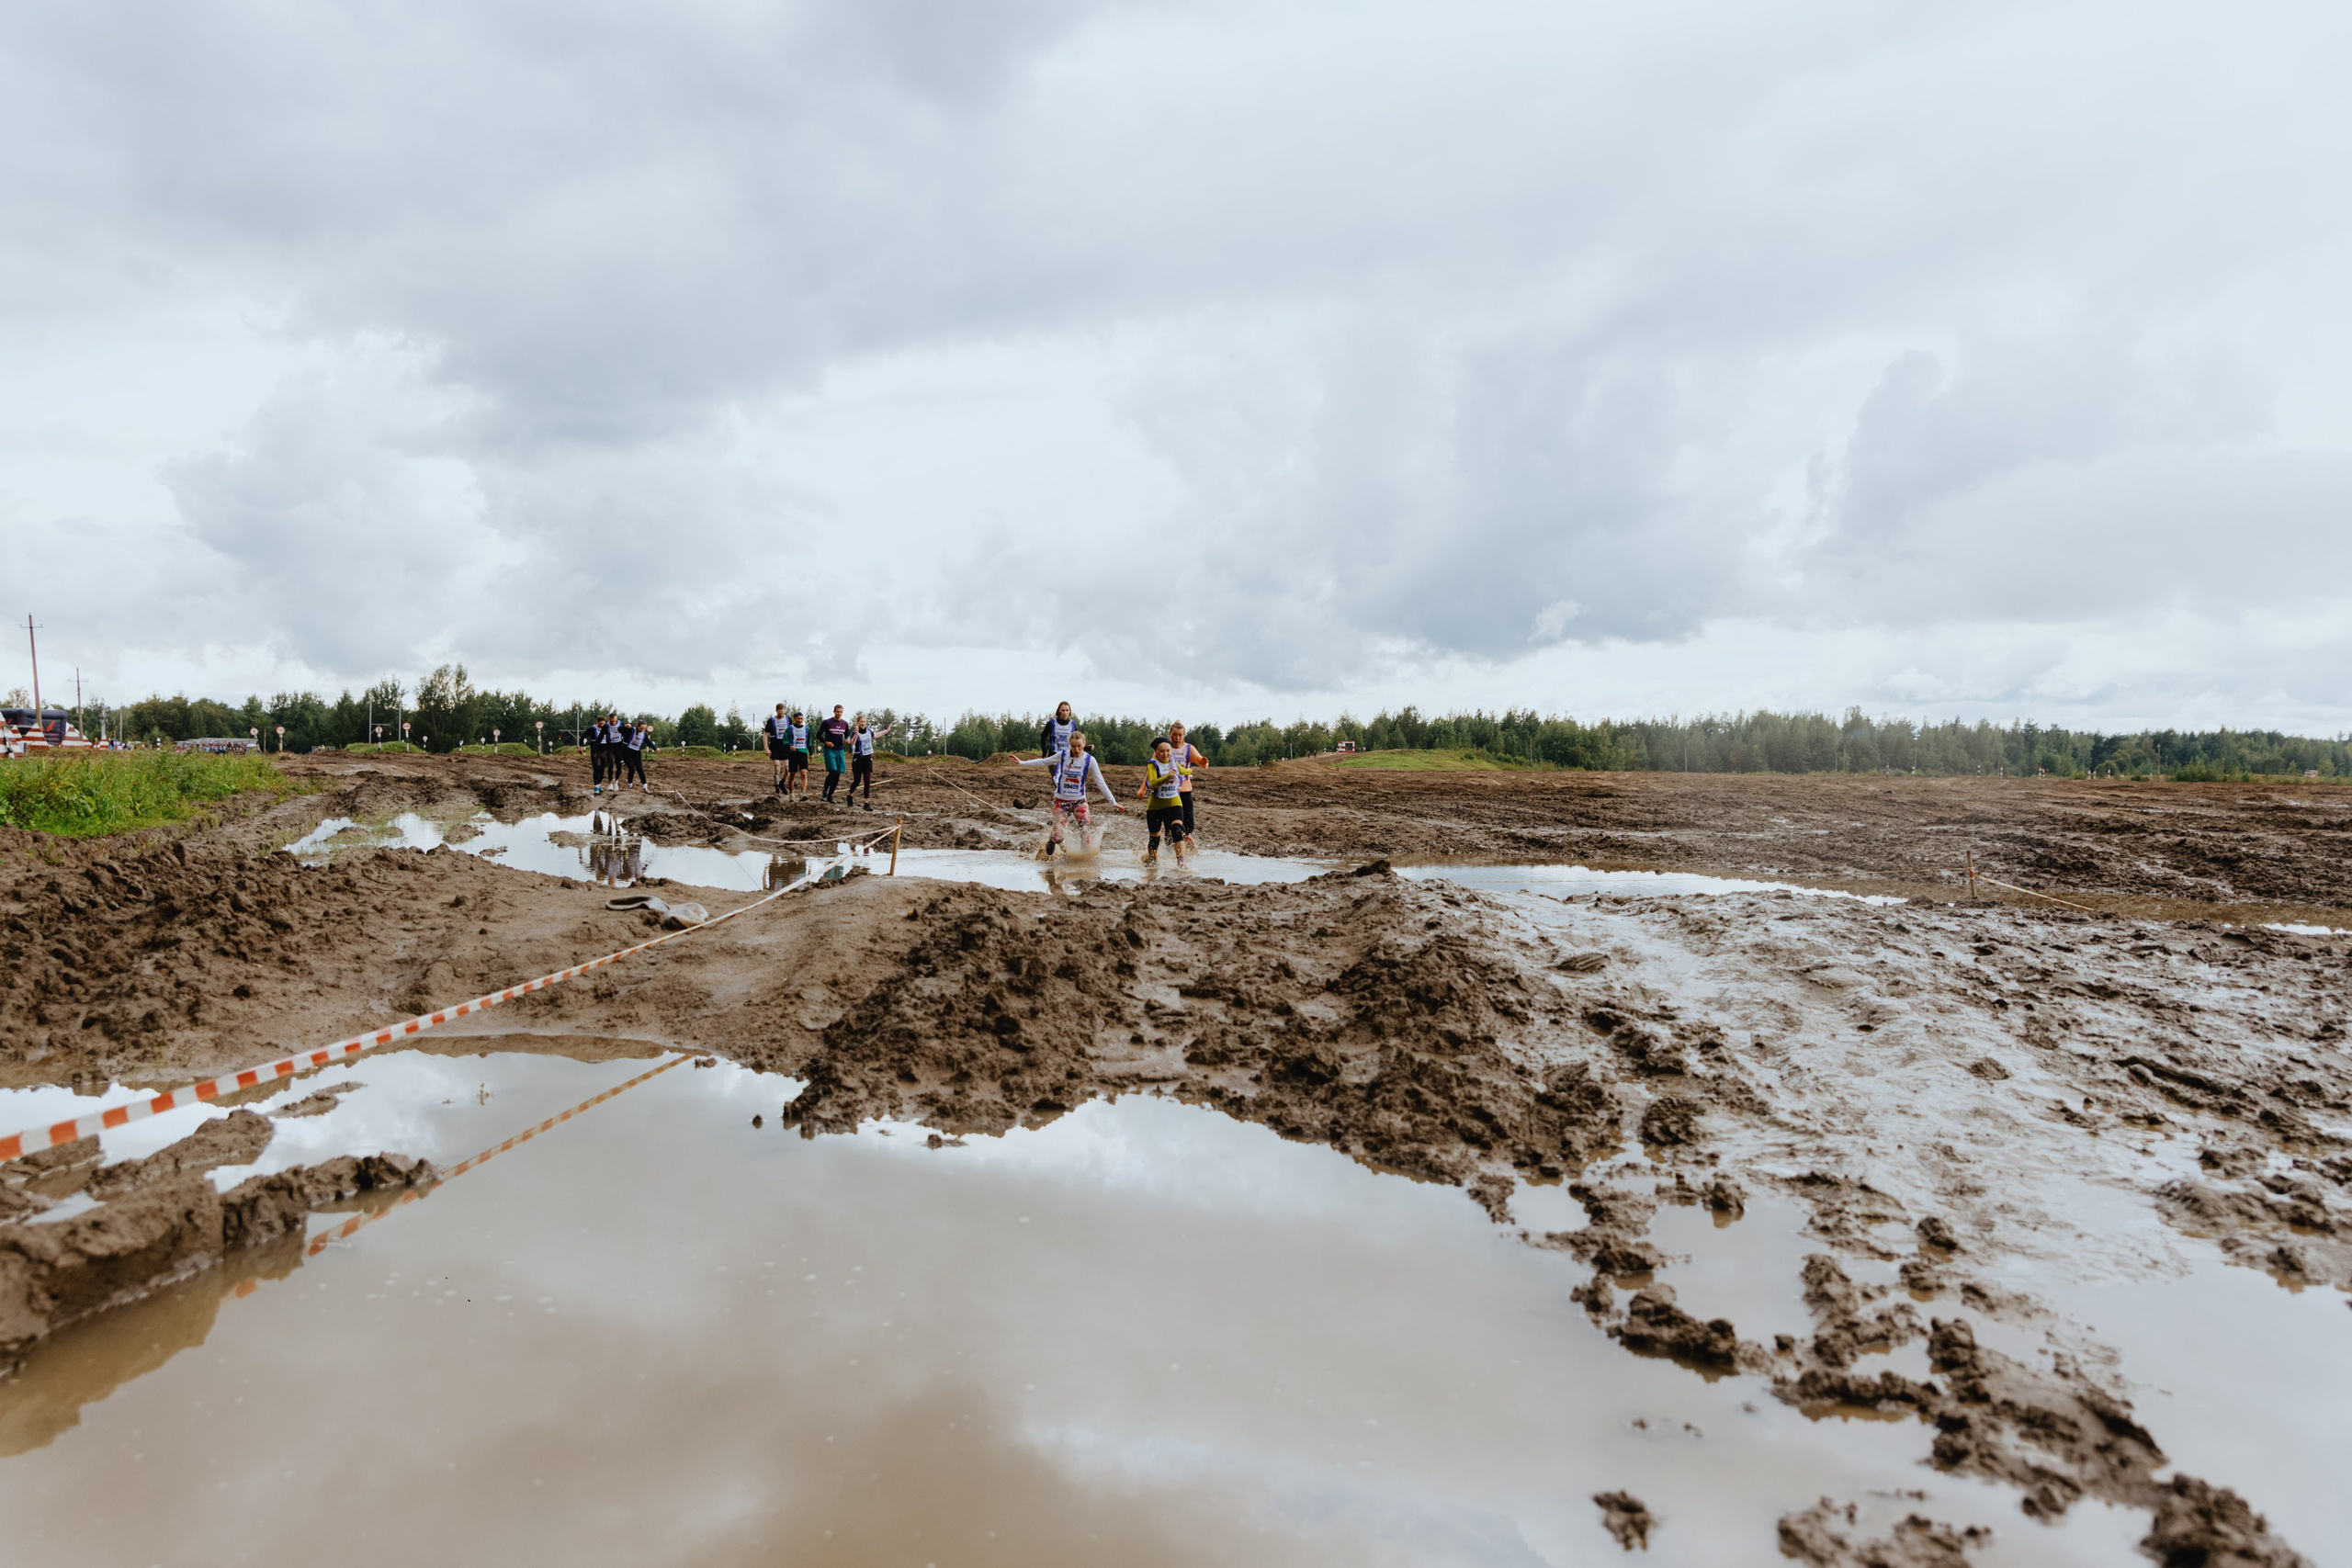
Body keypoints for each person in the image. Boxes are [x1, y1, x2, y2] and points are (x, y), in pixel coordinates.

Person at [1017, 729, 1122, 855]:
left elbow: (1100, 782)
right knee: (1058, 838)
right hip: (1061, 801)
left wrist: (1113, 802)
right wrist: (1021, 762)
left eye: (1079, 746)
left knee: (1085, 830)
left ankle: (1085, 860)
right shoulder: (1063, 755)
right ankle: (1052, 838)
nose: (1076, 749)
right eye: (1073, 746)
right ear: (1070, 745)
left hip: (1079, 801)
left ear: (1084, 745)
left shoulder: (1090, 760)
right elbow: (1044, 761)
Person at [1136, 737, 1190, 860]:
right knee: (1155, 839)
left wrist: (1192, 769)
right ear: (1156, 752)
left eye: (1168, 751)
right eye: (1161, 751)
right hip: (1156, 806)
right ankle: (1151, 861)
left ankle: (1181, 863)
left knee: (1177, 831)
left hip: (1174, 802)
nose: (1165, 754)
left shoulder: (1173, 761)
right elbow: (1153, 783)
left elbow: (1182, 770)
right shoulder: (1152, 764)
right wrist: (1167, 776)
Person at [1167, 721, 1205, 841]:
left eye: (1180, 735)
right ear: (1170, 734)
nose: (1177, 738)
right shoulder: (1165, 747)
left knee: (1189, 824)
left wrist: (1204, 762)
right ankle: (1169, 852)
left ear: (1183, 735)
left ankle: (1187, 839)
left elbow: (1202, 763)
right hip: (1168, 791)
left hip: (1185, 790)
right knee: (1169, 824)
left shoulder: (1189, 748)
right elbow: (1152, 765)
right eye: (1174, 734)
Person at [847, 714, 891, 807]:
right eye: (861, 722)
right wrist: (856, 734)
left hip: (867, 759)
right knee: (857, 781)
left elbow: (875, 735)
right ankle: (850, 795)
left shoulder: (869, 731)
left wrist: (886, 731)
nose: (863, 723)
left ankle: (866, 802)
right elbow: (852, 742)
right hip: (858, 758)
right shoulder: (854, 732)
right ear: (858, 723)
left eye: (864, 722)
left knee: (867, 780)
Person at [818, 705, 853, 804]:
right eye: (838, 711)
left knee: (837, 773)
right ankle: (825, 791)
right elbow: (818, 735)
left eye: (841, 712)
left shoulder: (845, 724)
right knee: (833, 771)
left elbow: (847, 736)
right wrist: (826, 742)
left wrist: (847, 739)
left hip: (840, 750)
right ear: (834, 711)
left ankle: (830, 795)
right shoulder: (827, 722)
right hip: (830, 749)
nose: (839, 713)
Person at [762, 705, 794, 795]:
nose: (781, 715)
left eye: (782, 713)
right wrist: (766, 748)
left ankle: (782, 783)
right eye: (779, 713)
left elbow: (792, 732)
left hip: (785, 746)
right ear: (776, 711)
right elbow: (765, 734)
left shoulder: (788, 719)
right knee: (777, 767)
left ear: (784, 711)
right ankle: (777, 789)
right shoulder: (771, 720)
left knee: (787, 769)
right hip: (775, 746)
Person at [786, 710, 811, 795]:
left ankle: (803, 794)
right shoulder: (790, 729)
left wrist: (811, 753)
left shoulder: (807, 729)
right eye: (798, 718)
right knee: (792, 775)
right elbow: (785, 741)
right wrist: (790, 746)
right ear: (794, 719)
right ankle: (791, 793)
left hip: (803, 753)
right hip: (793, 754)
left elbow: (809, 742)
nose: (800, 720)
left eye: (801, 718)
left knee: (804, 773)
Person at [623, 721, 651, 792]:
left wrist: (656, 748)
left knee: (640, 769)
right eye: (641, 728)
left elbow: (648, 742)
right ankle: (630, 784)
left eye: (644, 729)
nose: (642, 730)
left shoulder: (644, 734)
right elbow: (619, 730)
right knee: (632, 769)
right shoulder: (631, 730)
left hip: (637, 753)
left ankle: (645, 787)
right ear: (638, 726)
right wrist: (625, 726)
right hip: (627, 752)